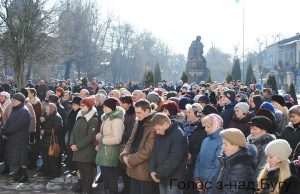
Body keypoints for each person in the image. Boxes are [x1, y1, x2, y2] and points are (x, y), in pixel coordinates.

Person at [120, 99, 159, 194]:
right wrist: (124, 154)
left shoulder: (153, 126)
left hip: (144, 171)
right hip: (132, 169)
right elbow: (130, 141)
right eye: (136, 112)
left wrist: (129, 160)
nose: (137, 115)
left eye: (139, 113)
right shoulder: (138, 122)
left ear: (147, 111)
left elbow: (148, 151)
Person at [149, 113, 188, 194]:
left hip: (175, 180)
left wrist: (158, 173)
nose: (157, 132)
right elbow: (154, 153)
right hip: (161, 176)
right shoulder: (161, 134)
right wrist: (152, 170)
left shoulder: (178, 135)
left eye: (158, 129)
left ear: (166, 124)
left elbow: (174, 158)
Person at [212, 128, 257, 194]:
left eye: (225, 144)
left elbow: (232, 191)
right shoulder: (226, 159)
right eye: (223, 143)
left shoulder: (240, 167)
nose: (222, 147)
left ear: (236, 146)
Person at [95, 97, 125, 194]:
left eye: (106, 107)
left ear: (112, 107)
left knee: (111, 179)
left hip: (111, 152)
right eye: (104, 107)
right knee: (106, 178)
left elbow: (117, 139)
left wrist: (101, 139)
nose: (104, 109)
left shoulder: (116, 120)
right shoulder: (107, 118)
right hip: (105, 151)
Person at [69, 97, 98, 194]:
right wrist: (72, 143)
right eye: (80, 105)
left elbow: (90, 136)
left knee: (87, 173)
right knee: (81, 172)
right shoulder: (80, 116)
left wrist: (78, 146)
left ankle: (88, 191)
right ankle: (84, 190)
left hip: (86, 150)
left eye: (83, 105)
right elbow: (73, 131)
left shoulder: (93, 119)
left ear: (89, 107)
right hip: (77, 149)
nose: (81, 107)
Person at [1, 93, 30, 182]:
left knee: (22, 157)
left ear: (20, 101)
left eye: (15, 100)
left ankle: (25, 175)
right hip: (13, 137)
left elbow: (18, 125)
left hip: (21, 138)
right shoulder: (15, 109)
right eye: (13, 99)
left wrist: (6, 131)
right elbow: (9, 122)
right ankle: (20, 173)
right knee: (17, 157)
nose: (13, 101)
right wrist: (3, 129)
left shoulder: (24, 110)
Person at [193, 113, 223, 194]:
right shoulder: (206, 140)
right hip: (202, 183)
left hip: (213, 185)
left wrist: (208, 183)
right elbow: (198, 160)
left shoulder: (223, 141)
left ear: (216, 126)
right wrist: (197, 178)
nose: (205, 129)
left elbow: (218, 166)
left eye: (208, 127)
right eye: (205, 126)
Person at [40, 103, 64, 179]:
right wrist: (43, 121)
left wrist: (45, 131)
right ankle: (46, 171)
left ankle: (55, 172)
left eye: (48, 110)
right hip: (46, 140)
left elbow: (58, 129)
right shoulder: (48, 116)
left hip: (53, 141)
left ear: (52, 110)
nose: (46, 111)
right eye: (46, 110)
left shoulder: (56, 117)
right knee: (45, 157)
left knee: (52, 158)